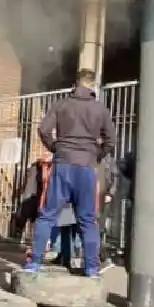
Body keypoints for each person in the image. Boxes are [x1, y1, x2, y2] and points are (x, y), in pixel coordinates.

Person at [24, 69, 116, 278]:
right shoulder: (100, 109)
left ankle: (34, 263)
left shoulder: (61, 105)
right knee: (87, 219)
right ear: (93, 85)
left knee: (47, 216)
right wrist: (96, 155)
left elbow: (43, 129)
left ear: (76, 84)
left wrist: (55, 148)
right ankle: (92, 268)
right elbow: (111, 140)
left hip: (63, 165)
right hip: (86, 168)